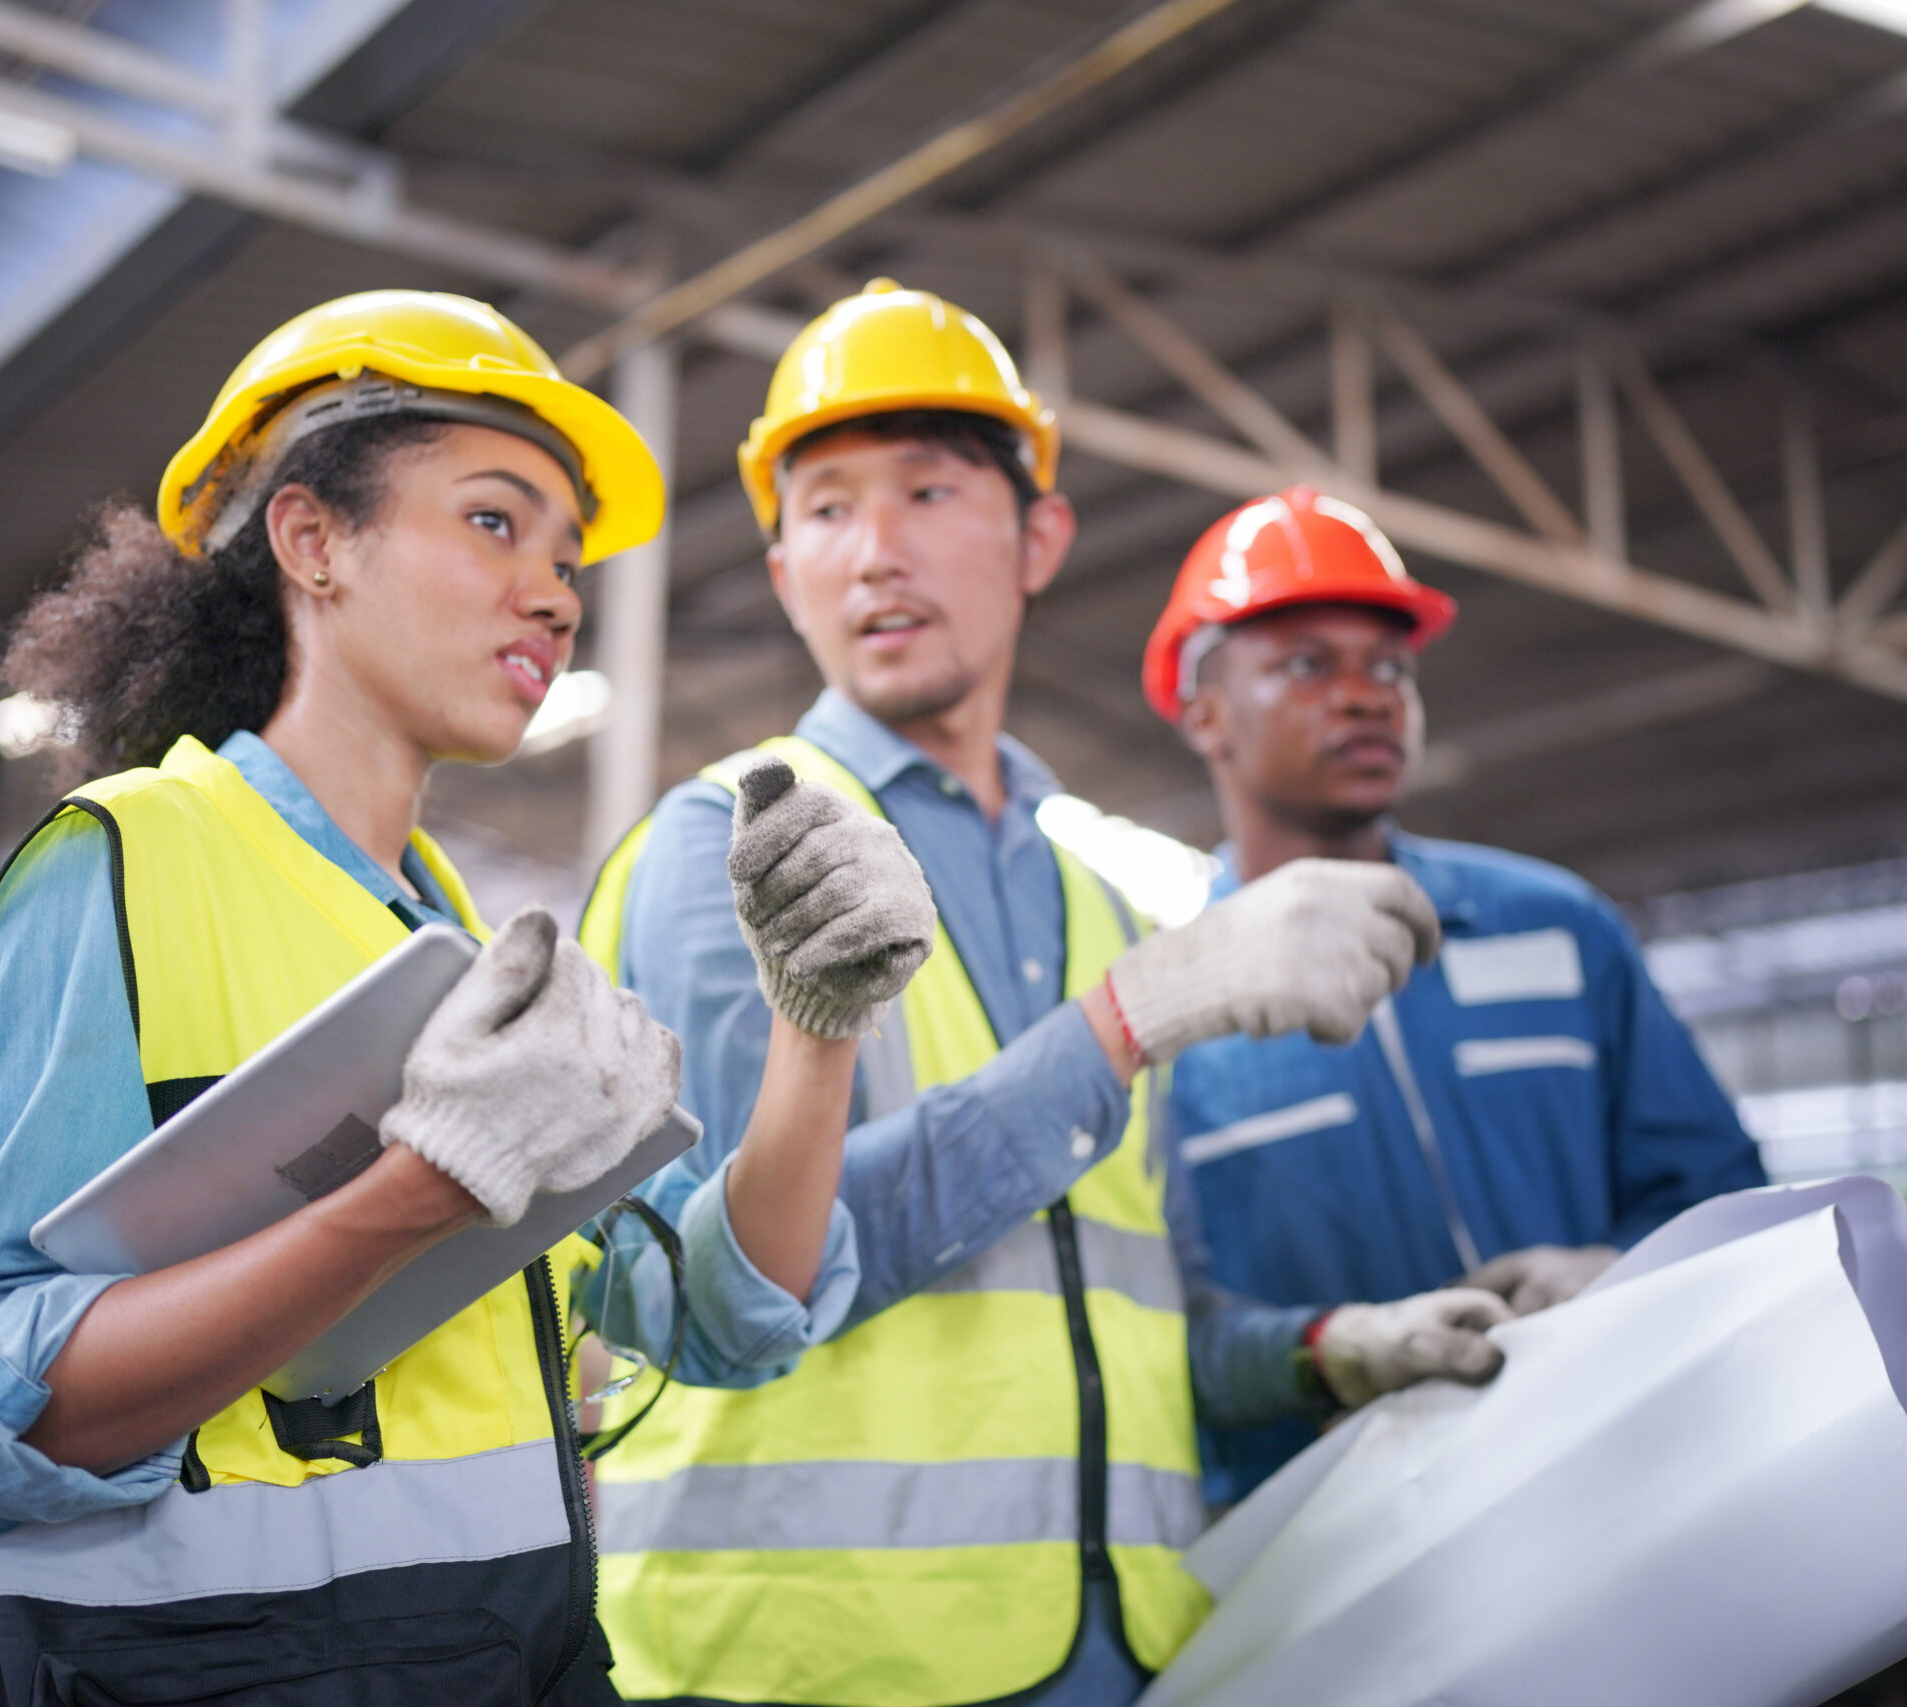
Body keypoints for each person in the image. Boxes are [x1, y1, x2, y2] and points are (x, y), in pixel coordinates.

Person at [0, 290, 935, 1707]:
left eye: (566, 558)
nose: (555, 593)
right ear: (314, 541)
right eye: (495, 522)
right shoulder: (126, 864)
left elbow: (716, 1316)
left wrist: (818, 1025)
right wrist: (417, 1190)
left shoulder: (462, 949)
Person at [577, 279, 1446, 1707]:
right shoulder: (735, 843)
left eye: (926, 490)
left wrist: (1325, 1348)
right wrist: (1127, 1022)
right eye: (827, 510)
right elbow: (738, 1290)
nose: (874, 553)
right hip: (820, 1660)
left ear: (1040, 537)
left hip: (1122, 1650)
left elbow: (1120, 1318)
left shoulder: (1099, 895)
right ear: (784, 567)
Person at [1143, 485, 1770, 1506]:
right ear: (1202, 712)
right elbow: (1164, 1326)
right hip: (1321, 1544)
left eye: (1390, 666)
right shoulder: (1176, 1010)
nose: (1366, 694)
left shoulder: (1555, 929)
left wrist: (1616, 1267)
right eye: (1307, 663)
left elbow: (1720, 1188)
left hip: (1606, 1482)